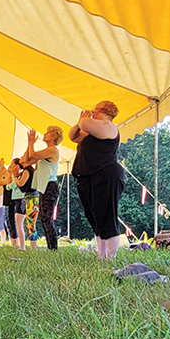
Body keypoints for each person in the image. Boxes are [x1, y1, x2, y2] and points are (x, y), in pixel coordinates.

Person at [69, 102, 125, 259]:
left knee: (106, 214)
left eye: (96, 109)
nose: (92, 111)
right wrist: (79, 122)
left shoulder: (108, 126)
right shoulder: (90, 131)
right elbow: (73, 136)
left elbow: (85, 124)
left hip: (105, 175)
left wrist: (83, 120)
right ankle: (101, 255)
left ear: (104, 111)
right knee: (94, 216)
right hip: (87, 176)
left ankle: (111, 256)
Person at [24, 127, 63, 250]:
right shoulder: (46, 151)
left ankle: (53, 247)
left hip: (50, 186)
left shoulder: (52, 151)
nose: (44, 134)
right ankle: (50, 246)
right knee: (44, 218)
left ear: (53, 136)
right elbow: (28, 160)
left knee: (47, 217)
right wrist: (29, 145)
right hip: (44, 186)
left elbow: (33, 155)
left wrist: (31, 143)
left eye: (47, 133)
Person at [7, 158, 32, 250]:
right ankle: (22, 245)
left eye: (12, 165)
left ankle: (23, 246)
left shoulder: (20, 173)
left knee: (19, 223)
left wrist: (8, 185)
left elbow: (14, 184)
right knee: (19, 223)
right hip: (17, 198)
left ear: (17, 165)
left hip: (20, 198)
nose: (11, 167)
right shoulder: (18, 173)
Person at [0, 159, 11, 245]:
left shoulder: (2, 188)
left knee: (1, 226)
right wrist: (0, 166)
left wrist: (1, 166)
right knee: (4, 226)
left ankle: (4, 242)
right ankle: (8, 241)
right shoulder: (2, 188)